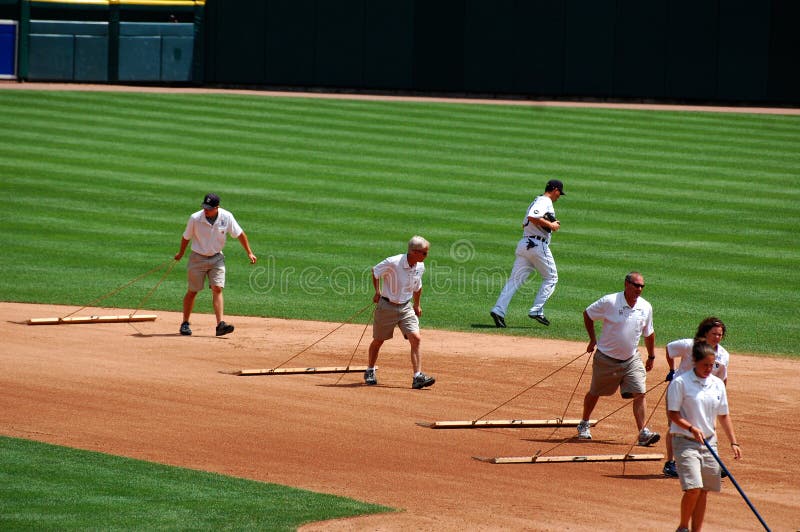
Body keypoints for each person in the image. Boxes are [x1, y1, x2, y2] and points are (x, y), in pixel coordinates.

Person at [576, 271, 660, 446]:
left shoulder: (646, 307)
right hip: (606, 359)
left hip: (631, 359)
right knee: (595, 392)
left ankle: (643, 433)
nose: (639, 289)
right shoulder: (610, 301)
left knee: (640, 393)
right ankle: (584, 422)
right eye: (636, 285)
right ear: (626, 284)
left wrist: (651, 356)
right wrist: (592, 339)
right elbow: (588, 314)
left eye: (642, 286)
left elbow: (649, 333)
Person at [667, 340, 741, 532]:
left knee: (704, 490)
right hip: (685, 441)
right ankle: (683, 527)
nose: (709, 369)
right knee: (693, 488)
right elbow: (672, 414)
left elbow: (724, 415)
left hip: (709, 443)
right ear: (694, 362)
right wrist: (691, 428)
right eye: (705, 365)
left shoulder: (717, 385)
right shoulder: (680, 382)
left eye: (712, 365)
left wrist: (734, 442)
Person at [174, 193, 257, 336]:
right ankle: (185, 323)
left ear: (217, 207)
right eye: (204, 207)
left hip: (217, 258)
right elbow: (186, 237)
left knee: (217, 288)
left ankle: (220, 325)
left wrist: (249, 252)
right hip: (197, 258)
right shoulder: (195, 218)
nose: (206, 210)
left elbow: (240, 234)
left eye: (209, 208)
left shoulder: (226, 217)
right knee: (193, 291)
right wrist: (181, 253)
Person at [489, 179, 565, 328]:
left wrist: (547, 223)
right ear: (555, 190)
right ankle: (537, 310)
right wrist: (551, 225)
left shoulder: (537, 200)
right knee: (551, 278)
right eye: (559, 193)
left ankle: (498, 310)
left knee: (515, 280)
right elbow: (532, 216)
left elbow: (526, 221)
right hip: (537, 245)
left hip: (525, 244)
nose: (559, 196)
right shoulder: (545, 201)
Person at [365, 236, 435, 389]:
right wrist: (377, 291)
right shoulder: (393, 262)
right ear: (413, 252)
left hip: (406, 307)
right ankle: (370, 370)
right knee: (378, 341)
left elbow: (418, 287)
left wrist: (417, 305)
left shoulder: (420, 266)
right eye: (424, 253)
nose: (426, 256)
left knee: (415, 338)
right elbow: (375, 271)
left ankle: (417, 377)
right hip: (387, 307)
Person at [663, 317, 730, 478]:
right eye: (714, 333)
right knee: (676, 427)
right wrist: (672, 370)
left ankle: (710, 463)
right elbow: (669, 348)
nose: (717, 337)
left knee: (707, 426)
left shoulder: (723, 355)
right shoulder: (689, 345)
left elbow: (722, 378)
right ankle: (670, 463)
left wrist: (719, 396)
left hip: (704, 396)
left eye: (720, 334)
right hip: (680, 392)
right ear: (705, 333)